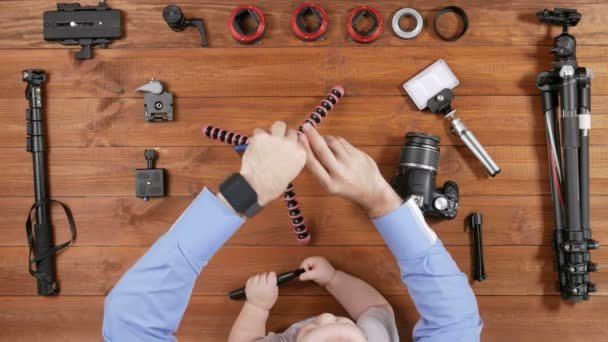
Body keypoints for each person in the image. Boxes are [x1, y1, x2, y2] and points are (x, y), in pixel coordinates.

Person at [102, 121, 482, 341]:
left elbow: (129, 320)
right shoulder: (374, 334)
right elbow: (455, 321)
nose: (329, 318)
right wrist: (381, 201)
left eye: (316, 328)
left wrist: (246, 191)